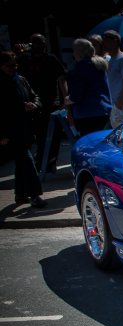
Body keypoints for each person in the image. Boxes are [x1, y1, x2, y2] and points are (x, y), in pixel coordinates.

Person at [0, 51, 47, 208]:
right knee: (27, 160)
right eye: (9, 66)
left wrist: (35, 105)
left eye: (15, 65)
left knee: (21, 162)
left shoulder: (21, 80)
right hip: (11, 130)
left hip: (26, 127)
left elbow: (35, 96)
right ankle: (35, 194)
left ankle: (20, 194)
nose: (13, 68)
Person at [17, 33, 67, 171]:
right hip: (32, 102)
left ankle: (50, 161)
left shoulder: (51, 59)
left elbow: (61, 78)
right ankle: (40, 161)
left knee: (53, 134)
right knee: (38, 135)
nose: (42, 46)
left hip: (50, 101)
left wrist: (65, 97)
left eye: (43, 43)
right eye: (38, 43)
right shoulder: (24, 59)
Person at [65, 38, 111, 137]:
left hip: (87, 114)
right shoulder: (99, 65)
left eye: (74, 51)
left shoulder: (80, 67)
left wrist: (69, 99)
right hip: (104, 110)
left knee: (90, 145)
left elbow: (77, 95)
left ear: (78, 52)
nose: (73, 54)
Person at [102, 30, 123, 128]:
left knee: (122, 135)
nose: (104, 44)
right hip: (114, 105)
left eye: (106, 41)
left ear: (115, 41)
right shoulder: (109, 59)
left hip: (122, 106)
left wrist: (119, 103)